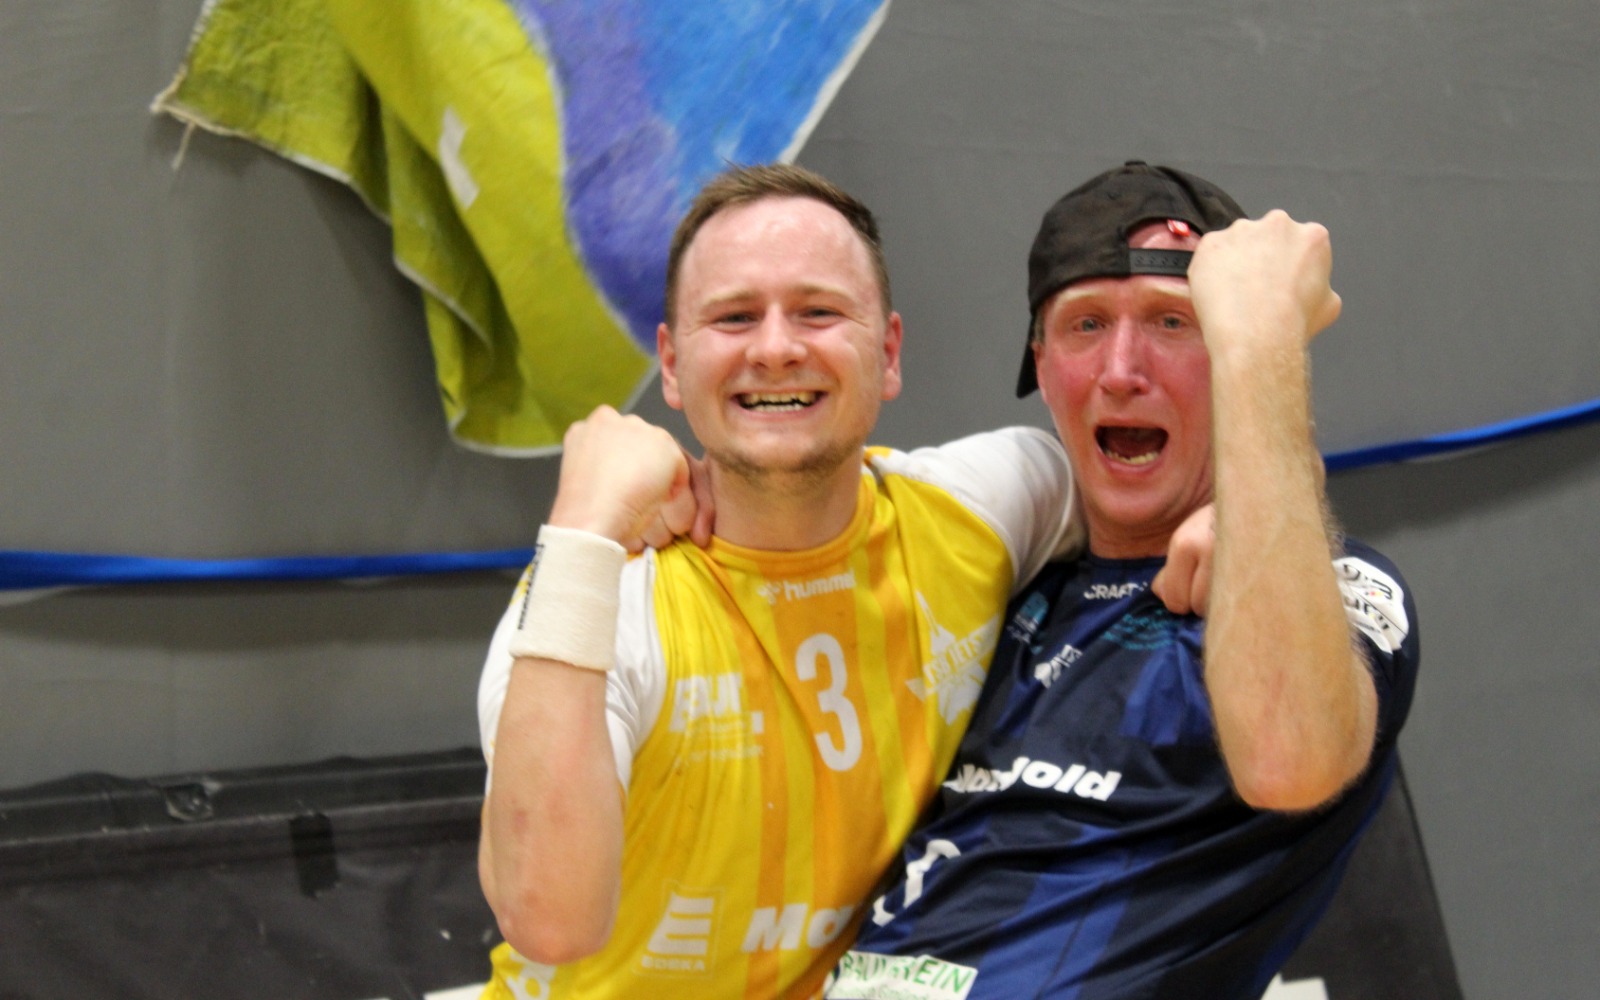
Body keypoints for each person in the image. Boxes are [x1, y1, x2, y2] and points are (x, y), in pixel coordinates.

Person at [473, 163, 1209, 999]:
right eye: (734, 316)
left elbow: (1158, 480)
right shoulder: (595, 605)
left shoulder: (995, 502)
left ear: (888, 353)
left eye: (818, 312)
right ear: (671, 365)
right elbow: (551, 921)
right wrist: (580, 528)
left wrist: (1231, 513)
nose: (776, 348)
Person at [829, 161, 1420, 1000]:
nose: (1120, 369)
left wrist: (1263, 343)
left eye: (1174, 322)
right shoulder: (1000, 572)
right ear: (1041, 363)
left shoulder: (1335, 586)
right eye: (1086, 324)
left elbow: (1290, 759)